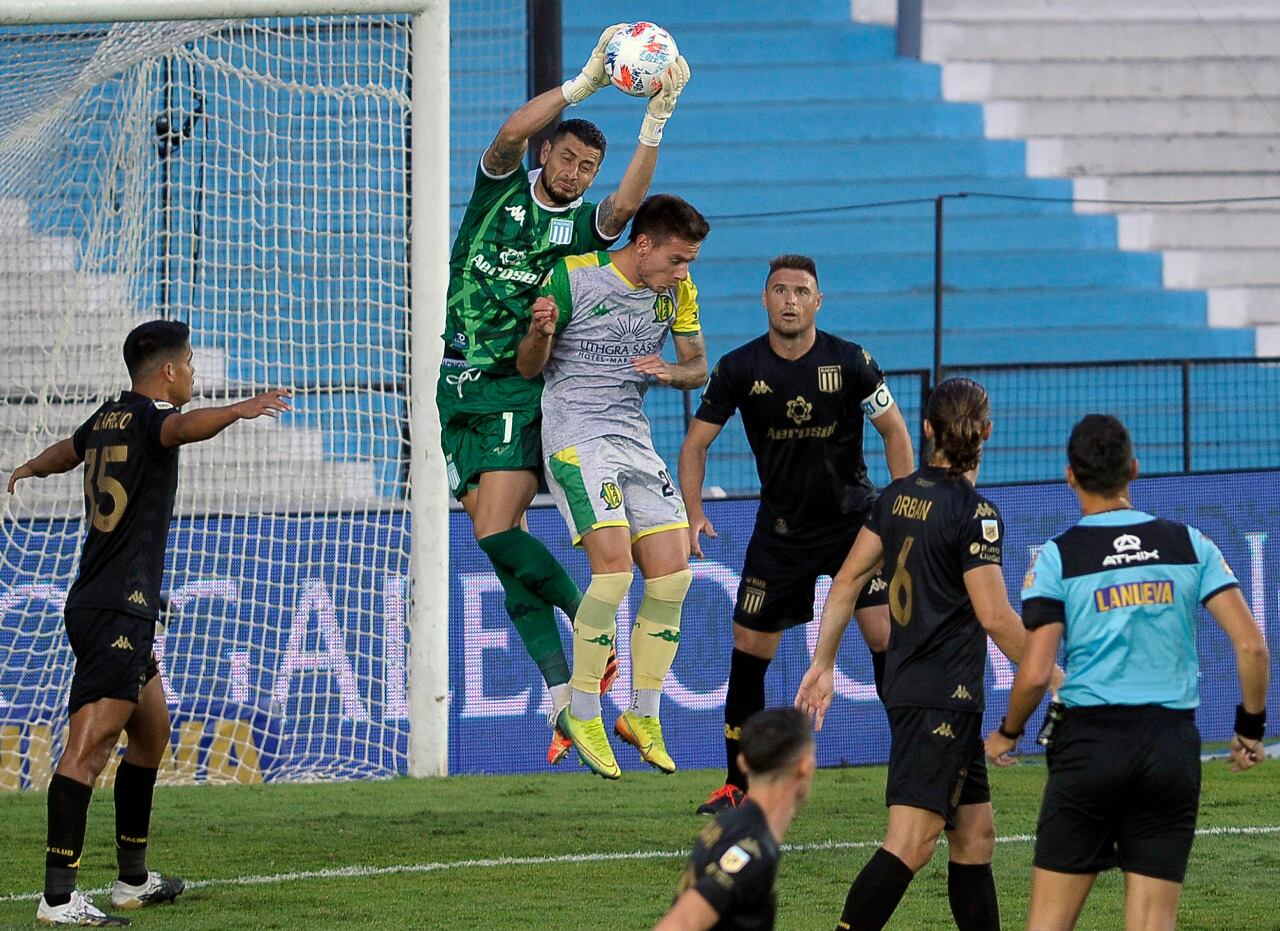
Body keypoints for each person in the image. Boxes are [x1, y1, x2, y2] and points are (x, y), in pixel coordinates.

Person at [437, 25, 690, 766]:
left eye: (589, 166)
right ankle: (560, 694)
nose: (577, 174)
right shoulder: (500, 194)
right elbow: (508, 131)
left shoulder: (586, 227)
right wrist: (583, 84)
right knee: (501, 551)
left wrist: (655, 120)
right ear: (548, 155)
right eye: (570, 158)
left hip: (524, 379)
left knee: (493, 531)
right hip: (457, 379)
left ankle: (590, 634)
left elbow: (631, 203)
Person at [7, 320, 290, 927]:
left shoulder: (107, 417)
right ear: (167, 372)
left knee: (152, 733)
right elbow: (183, 427)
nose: (192, 372)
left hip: (103, 601)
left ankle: (132, 881)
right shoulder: (150, 418)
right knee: (87, 749)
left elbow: (68, 451)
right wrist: (243, 409)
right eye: (188, 362)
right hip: (117, 607)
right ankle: (57, 898)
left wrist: (31, 466)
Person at [985, 413, 1270, 931]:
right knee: (1152, 923)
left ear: (1070, 475)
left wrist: (1007, 734)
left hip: (1089, 746)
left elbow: (1034, 672)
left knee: (1048, 923)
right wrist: (1249, 729)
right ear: (1134, 469)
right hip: (1168, 747)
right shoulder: (1189, 543)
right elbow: (1251, 646)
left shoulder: (1057, 557)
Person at [795, 377, 1050, 931]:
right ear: (987, 433)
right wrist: (1054, 676)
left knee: (975, 837)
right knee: (910, 843)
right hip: (943, 695)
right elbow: (995, 616)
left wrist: (823, 663)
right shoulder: (975, 513)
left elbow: (845, 583)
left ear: (928, 429)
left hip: (917, 688)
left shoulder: (896, 497)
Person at [679, 253, 914, 815]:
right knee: (748, 651)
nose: (789, 299)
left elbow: (895, 432)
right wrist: (692, 512)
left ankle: (915, 766)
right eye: (779, 290)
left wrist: (905, 510)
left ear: (817, 301)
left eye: (801, 291)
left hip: (854, 524)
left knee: (885, 639)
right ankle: (738, 784)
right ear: (765, 299)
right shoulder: (739, 369)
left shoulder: (852, 362)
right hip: (780, 532)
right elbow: (694, 446)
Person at [516, 193, 710, 779]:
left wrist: (671, 371)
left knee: (674, 574)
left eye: (690, 263)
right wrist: (541, 332)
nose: (682, 274)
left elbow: (698, 367)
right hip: (577, 438)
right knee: (615, 571)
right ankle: (580, 709)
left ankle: (641, 714)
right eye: (676, 260)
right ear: (643, 244)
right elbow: (529, 366)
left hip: (632, 437)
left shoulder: (676, 294)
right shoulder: (575, 277)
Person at [653, 707, 816, 931]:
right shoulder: (751, 851)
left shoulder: (728, 822)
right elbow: (681, 923)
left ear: (742, 763)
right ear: (804, 767)